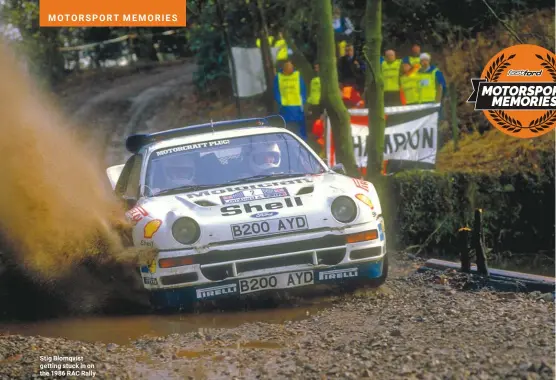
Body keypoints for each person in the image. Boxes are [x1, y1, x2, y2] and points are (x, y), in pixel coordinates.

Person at [273, 60, 308, 140]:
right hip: (285, 109)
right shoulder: (278, 77)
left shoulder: (297, 76)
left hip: (298, 109)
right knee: (288, 130)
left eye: (291, 67)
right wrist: (281, 102)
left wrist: (302, 101)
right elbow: (276, 91)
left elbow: (303, 90)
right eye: (288, 67)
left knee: (300, 132)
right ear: (284, 67)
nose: (291, 68)